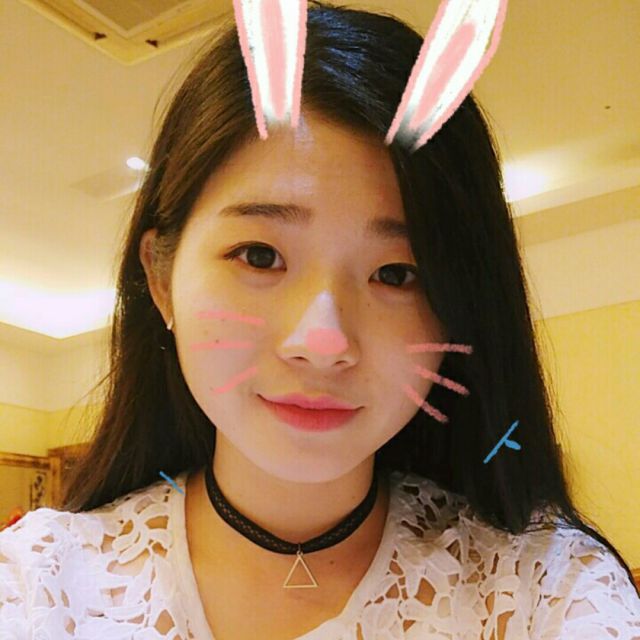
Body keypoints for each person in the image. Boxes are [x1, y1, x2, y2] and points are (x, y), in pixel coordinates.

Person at [1, 2, 639, 638]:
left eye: (397, 273)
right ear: (161, 280)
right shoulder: (38, 589)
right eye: (260, 256)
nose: (323, 343)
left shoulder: (548, 594)